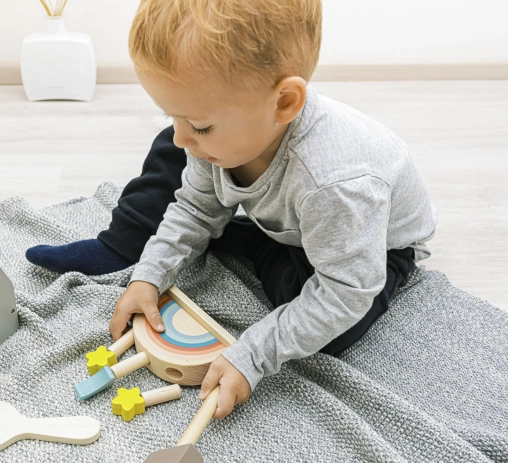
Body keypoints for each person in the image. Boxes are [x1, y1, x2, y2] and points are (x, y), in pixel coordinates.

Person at [27, 0, 437, 419]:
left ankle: (257, 245)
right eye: (173, 116)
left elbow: (347, 292)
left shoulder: (336, 186)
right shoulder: (219, 135)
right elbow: (193, 207)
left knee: (331, 329)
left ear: (284, 103)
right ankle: (208, 234)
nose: (184, 138)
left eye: (200, 126)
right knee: (176, 155)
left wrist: (254, 354)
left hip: (377, 251)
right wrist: (149, 275)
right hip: (301, 220)